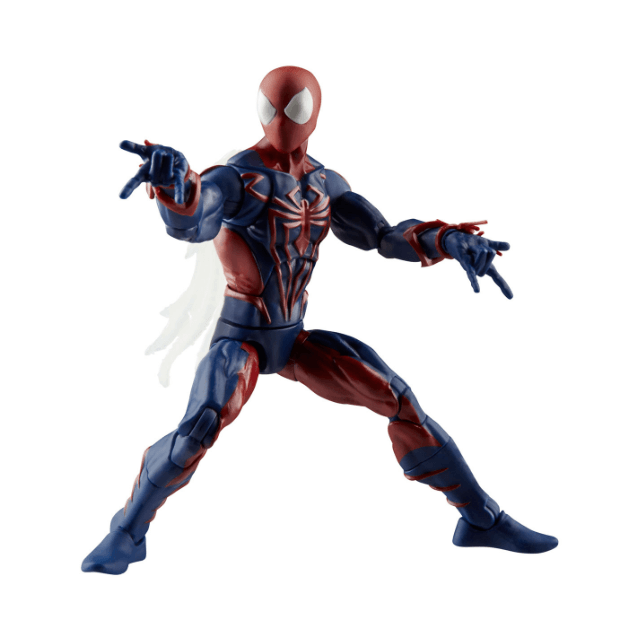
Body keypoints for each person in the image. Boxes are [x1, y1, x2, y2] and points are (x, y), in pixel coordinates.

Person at [82, 66, 557, 575]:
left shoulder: (325, 183)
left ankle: (481, 520)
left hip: (294, 339)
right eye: (271, 108)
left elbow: (383, 236)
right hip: (241, 339)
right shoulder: (238, 178)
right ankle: (126, 532)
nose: (281, 120)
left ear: (315, 114)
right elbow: (197, 221)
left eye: (295, 108)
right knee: (200, 426)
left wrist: (447, 239)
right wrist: (177, 189)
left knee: (399, 400)